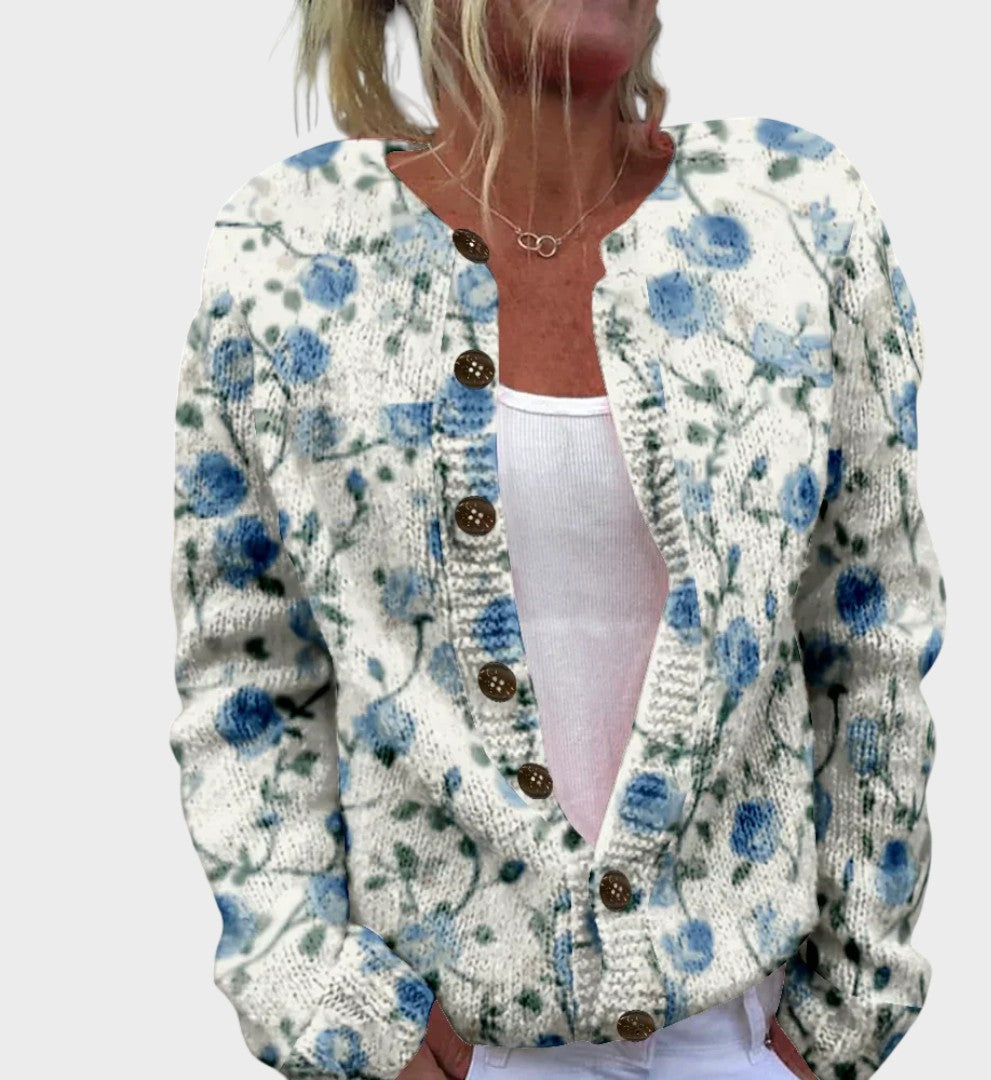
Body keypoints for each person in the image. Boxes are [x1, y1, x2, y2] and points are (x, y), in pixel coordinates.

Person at [169, 2, 945, 1079]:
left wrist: (838, 1024)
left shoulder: (794, 214)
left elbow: (871, 638)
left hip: (741, 1040)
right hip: (439, 1043)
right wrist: (330, 1007)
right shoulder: (288, 252)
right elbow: (247, 675)